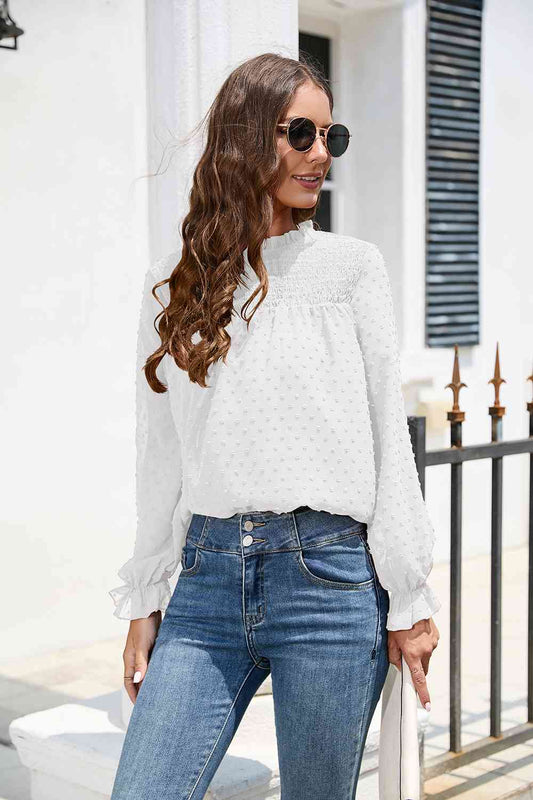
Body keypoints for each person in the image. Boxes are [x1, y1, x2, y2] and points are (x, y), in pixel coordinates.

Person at [108, 51, 441, 800]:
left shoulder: (350, 269)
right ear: (246, 137)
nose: (321, 154)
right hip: (205, 581)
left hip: (328, 581)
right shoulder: (174, 283)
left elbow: (387, 440)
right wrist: (146, 598)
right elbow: (162, 456)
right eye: (301, 133)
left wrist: (409, 597)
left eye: (331, 136)